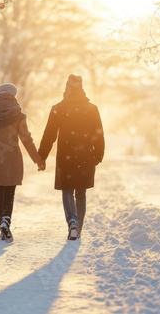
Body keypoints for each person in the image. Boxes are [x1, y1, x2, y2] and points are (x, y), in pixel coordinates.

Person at [0, 83, 45, 243]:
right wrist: (38, 159)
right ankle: (6, 220)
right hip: (11, 157)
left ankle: (2, 227)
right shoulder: (17, 114)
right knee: (9, 192)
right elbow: (26, 139)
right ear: (13, 96)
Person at [38, 74, 104, 240]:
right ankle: (78, 228)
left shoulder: (58, 108)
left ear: (68, 88)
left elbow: (49, 135)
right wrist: (98, 155)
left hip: (65, 156)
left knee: (67, 190)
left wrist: (42, 156)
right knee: (80, 192)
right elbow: (98, 134)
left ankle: (72, 222)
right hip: (85, 156)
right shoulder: (91, 108)